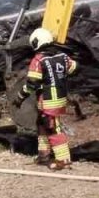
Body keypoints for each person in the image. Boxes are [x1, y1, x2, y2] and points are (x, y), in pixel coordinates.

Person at [20, 28, 78, 170]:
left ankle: (63, 160)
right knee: (42, 124)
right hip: (60, 97)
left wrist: (20, 96)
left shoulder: (38, 60)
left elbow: (32, 84)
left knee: (52, 128)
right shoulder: (63, 56)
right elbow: (74, 67)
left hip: (48, 100)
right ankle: (44, 155)